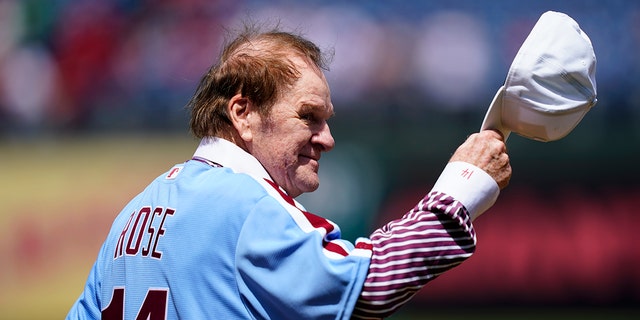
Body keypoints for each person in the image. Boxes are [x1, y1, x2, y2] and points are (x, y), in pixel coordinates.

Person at [66, 22, 511, 320]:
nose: (327, 137)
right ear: (243, 112)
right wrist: (460, 191)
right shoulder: (246, 204)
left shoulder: (135, 212)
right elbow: (370, 284)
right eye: (309, 116)